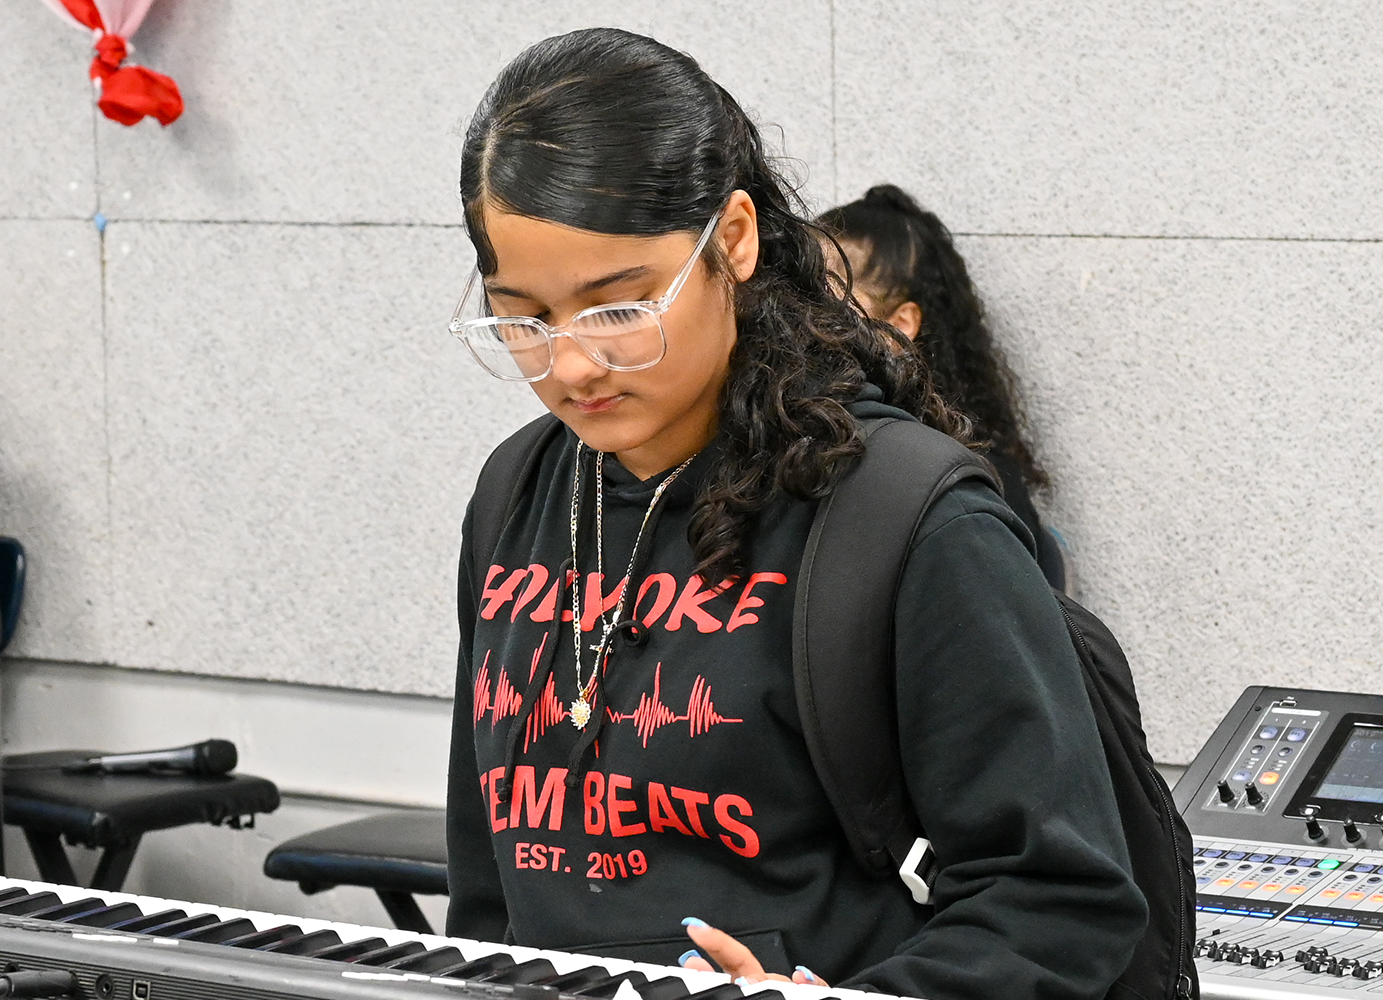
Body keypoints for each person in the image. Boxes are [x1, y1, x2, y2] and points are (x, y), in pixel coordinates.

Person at [444, 29, 1144, 999]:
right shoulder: (516, 491)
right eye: (521, 317)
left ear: (732, 240)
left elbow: (1061, 901)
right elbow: (486, 894)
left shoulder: (907, 515)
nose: (568, 365)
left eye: (617, 308)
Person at [820, 184, 1065, 590]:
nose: (795, 314)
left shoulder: (962, 476)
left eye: (827, 297)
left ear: (898, 327)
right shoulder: (785, 437)